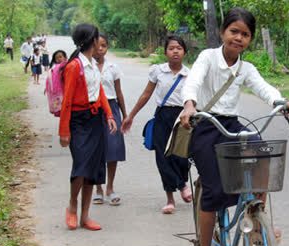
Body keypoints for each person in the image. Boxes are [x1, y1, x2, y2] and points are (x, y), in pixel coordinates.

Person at [178, 8, 289, 246]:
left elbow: (263, 87)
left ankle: (257, 220)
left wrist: (280, 101)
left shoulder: (246, 68)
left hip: (230, 124)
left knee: (263, 154)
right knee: (213, 191)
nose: (239, 38)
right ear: (223, 33)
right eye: (234, 31)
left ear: (250, 39)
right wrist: (190, 104)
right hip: (204, 122)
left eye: (245, 34)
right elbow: (193, 80)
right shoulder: (207, 57)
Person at [122, 36, 192, 214]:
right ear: (165, 52)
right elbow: (146, 95)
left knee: (182, 157)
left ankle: (182, 181)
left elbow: (195, 99)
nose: (175, 51)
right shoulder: (158, 71)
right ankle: (170, 199)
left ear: (184, 52)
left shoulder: (190, 74)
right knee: (163, 157)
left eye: (179, 48)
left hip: (183, 118)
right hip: (163, 116)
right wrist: (131, 116)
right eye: (171, 48)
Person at [59, 23, 117, 231]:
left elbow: (99, 90)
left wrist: (109, 115)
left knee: (93, 167)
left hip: (95, 120)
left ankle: (85, 215)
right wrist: (63, 131)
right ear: (92, 41)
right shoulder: (75, 66)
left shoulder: (92, 64)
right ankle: (72, 206)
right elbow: (66, 101)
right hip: (78, 120)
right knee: (81, 165)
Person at [93, 34, 128, 206]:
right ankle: (98, 188)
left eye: (104, 46)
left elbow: (118, 92)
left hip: (112, 108)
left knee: (113, 148)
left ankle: (110, 187)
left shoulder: (113, 67)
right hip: (93, 110)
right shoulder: (85, 66)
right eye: (97, 45)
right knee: (96, 149)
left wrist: (125, 114)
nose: (100, 49)